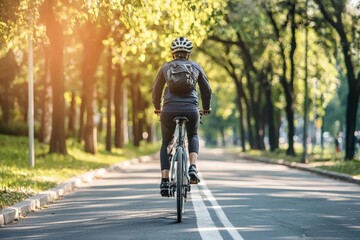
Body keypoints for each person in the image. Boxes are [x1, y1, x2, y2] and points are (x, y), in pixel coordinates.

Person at [152, 36, 212, 197]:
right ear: (188, 54)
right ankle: (192, 167)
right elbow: (206, 90)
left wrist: (157, 107)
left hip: (169, 109)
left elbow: (156, 90)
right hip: (191, 109)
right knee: (192, 135)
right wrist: (206, 108)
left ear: (173, 54)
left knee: (166, 142)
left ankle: (165, 182)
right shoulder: (195, 67)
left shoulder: (166, 67)